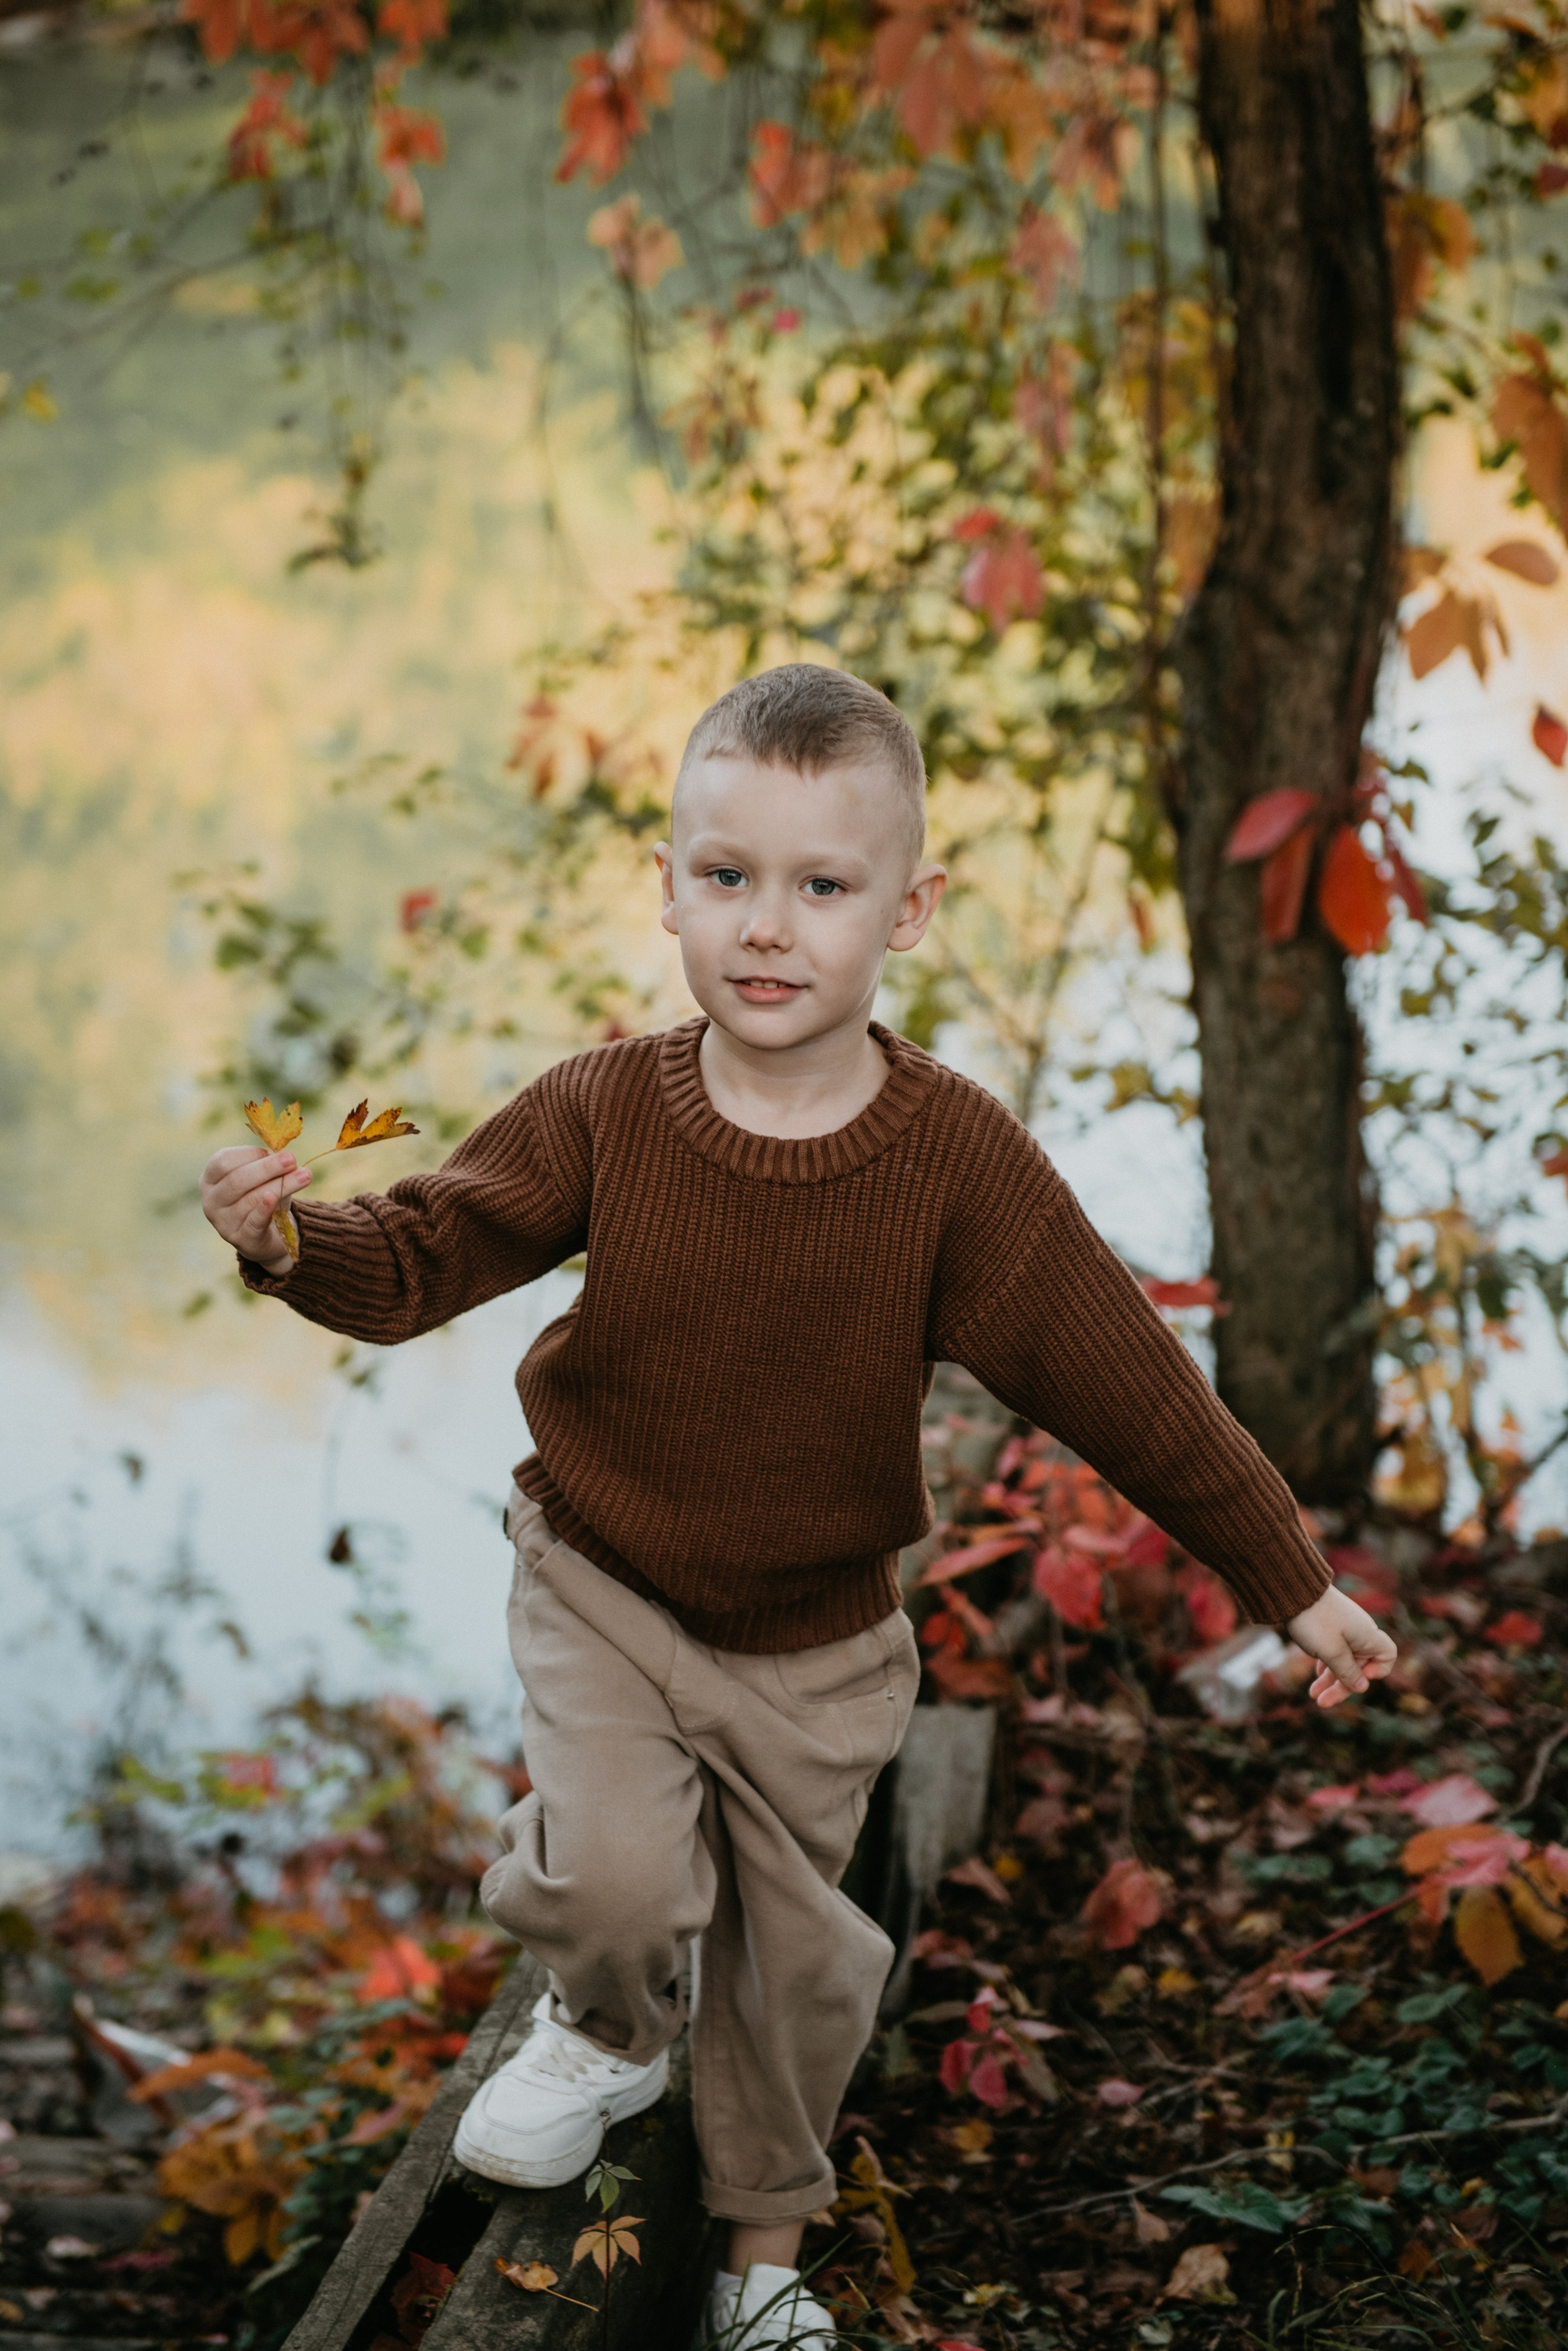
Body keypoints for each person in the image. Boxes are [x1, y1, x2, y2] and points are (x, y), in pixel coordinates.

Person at [199, 664, 1396, 2349]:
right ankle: (608, 2038)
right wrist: (284, 1245)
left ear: (909, 912)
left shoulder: (953, 1162)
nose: (769, 928)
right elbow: (431, 1248)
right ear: (669, 887)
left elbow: (1124, 1377)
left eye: (823, 888)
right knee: (615, 1881)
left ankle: (763, 2265)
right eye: (728, 877)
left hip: (817, 1645)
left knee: (798, 1979)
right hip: (607, 1580)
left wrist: (1291, 1577)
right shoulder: (607, 1107)